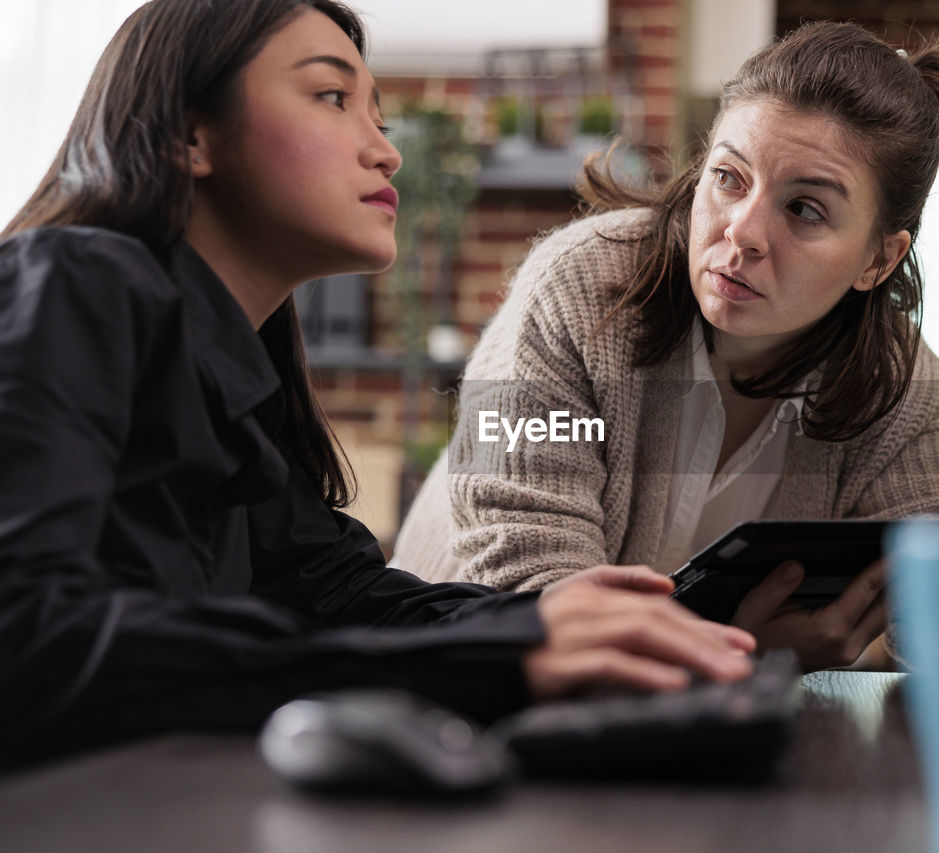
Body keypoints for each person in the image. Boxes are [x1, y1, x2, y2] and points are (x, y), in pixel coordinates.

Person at [0, 0, 758, 769]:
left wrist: (545, 622)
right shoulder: (70, 284)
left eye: (379, 116)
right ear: (192, 132)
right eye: (332, 98)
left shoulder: (239, 378)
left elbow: (340, 597)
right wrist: (501, 654)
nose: (387, 152)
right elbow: (24, 631)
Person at [393, 22, 939, 670]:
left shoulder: (897, 390)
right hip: (439, 694)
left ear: (879, 259)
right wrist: (748, 650)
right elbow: (533, 593)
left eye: (805, 210)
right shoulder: (577, 286)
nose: (744, 231)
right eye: (729, 179)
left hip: (665, 738)